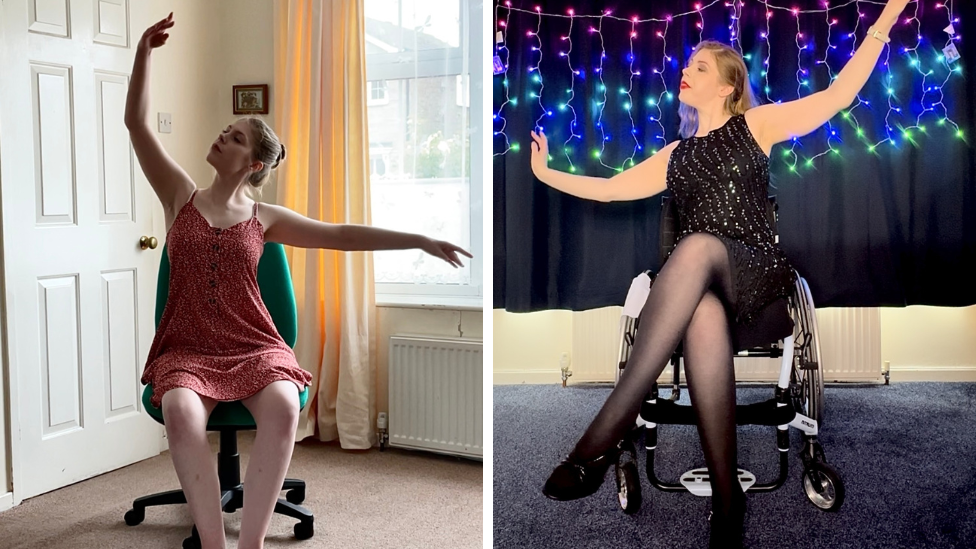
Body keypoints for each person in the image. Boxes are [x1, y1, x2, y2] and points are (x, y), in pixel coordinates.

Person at [529, 1, 911, 547]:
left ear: (729, 86)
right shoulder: (675, 155)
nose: (686, 70)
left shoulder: (756, 124)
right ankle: (727, 502)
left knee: (700, 243)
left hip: (755, 277)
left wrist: (885, 20)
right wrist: (545, 174)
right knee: (701, 307)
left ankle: (602, 436)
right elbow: (610, 189)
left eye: (700, 67)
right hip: (699, 293)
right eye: (687, 64)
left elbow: (837, 97)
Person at [125, 13, 472, 549]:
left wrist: (420, 240)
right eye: (226, 129)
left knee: (286, 404)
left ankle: (252, 543)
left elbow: (340, 233)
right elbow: (138, 125)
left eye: (235, 137)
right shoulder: (180, 195)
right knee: (178, 409)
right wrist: (145, 52)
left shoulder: (266, 217)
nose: (223, 135)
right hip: (187, 350)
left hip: (253, 347)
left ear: (254, 162)